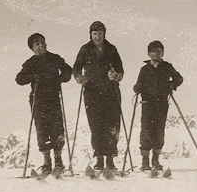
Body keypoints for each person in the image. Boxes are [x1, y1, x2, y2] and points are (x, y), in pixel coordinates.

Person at [16, 33, 72, 175]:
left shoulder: (54, 58)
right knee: (42, 129)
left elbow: (67, 70)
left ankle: (58, 162)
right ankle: (47, 162)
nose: (41, 45)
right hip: (38, 99)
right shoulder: (30, 63)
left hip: (53, 97)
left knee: (57, 127)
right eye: (37, 44)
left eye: (42, 42)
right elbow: (19, 79)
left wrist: (61, 79)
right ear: (32, 48)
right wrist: (33, 77)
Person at [73, 21, 124, 170]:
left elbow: (120, 68)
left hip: (110, 91)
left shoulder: (111, 49)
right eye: (95, 34)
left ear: (104, 34)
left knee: (112, 124)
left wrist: (116, 75)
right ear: (90, 35)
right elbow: (76, 67)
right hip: (92, 91)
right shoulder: (85, 49)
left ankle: (110, 160)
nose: (97, 37)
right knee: (96, 125)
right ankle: (100, 159)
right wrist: (79, 78)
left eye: (100, 33)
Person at [133, 40, 183, 170]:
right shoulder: (144, 69)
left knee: (159, 130)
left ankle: (156, 160)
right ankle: (145, 161)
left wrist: (172, 85)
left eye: (159, 51)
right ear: (149, 53)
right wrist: (137, 87)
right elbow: (139, 83)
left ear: (163, 53)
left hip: (161, 103)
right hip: (147, 103)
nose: (156, 54)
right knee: (146, 129)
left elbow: (179, 78)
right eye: (153, 51)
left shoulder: (167, 67)